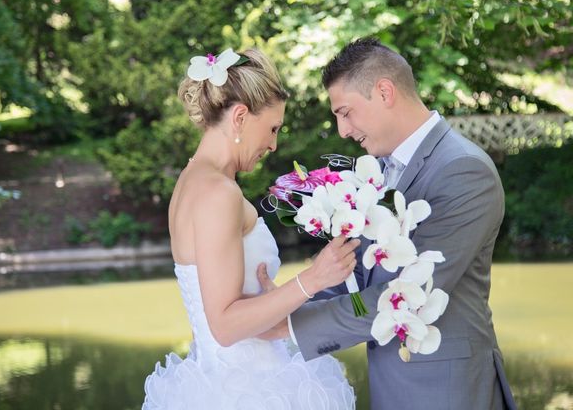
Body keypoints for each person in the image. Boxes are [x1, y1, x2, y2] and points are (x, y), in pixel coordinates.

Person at [259, 37, 518, 410]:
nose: (343, 130)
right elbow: (361, 284)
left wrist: (287, 326)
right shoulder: (380, 171)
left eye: (345, 112)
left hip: (446, 390)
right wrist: (285, 301)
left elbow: (411, 292)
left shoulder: (463, 170)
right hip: (392, 384)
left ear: (384, 91)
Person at [141, 48, 358, 409]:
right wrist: (312, 280)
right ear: (240, 116)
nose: (273, 144)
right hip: (250, 391)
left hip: (229, 384)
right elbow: (224, 325)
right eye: (272, 128)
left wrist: (272, 299)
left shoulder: (194, 181)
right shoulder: (216, 192)